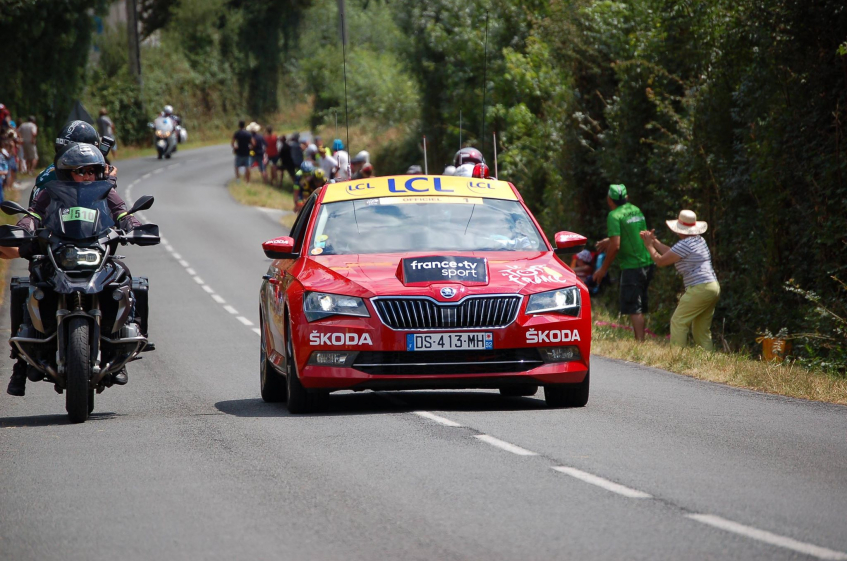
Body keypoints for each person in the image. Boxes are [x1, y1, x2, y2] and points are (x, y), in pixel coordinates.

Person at [6, 144, 142, 396]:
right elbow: (33, 215)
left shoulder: (106, 192)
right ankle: (22, 359)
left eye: (93, 171)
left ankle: (123, 347)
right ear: (68, 173)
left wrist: (133, 225)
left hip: (96, 252)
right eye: (82, 171)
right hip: (59, 252)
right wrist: (24, 227)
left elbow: (122, 212)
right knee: (32, 282)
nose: (88, 176)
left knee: (124, 276)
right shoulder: (50, 192)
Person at [640, 210, 720, 350]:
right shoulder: (698, 240)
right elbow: (673, 252)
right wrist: (655, 241)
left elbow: (660, 261)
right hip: (712, 287)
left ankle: (677, 357)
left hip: (700, 287)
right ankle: (709, 361)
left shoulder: (684, 244)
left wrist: (648, 245)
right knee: (701, 330)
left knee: (678, 321)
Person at [592, 184, 654, 341]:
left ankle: (640, 342)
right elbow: (637, 233)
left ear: (609, 200)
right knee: (640, 303)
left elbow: (616, 246)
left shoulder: (614, 216)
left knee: (634, 307)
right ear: (627, 197)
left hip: (632, 266)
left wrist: (602, 269)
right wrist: (609, 239)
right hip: (647, 262)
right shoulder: (635, 210)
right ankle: (641, 339)